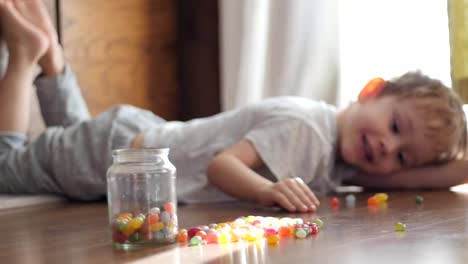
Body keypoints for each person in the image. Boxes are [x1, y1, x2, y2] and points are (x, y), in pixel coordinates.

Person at [1, 0, 467, 213]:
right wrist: (268, 192)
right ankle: (23, 58)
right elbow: (223, 166)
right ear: (371, 89)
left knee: (71, 139)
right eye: (395, 125)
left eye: (402, 155)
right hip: (125, 158)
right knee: (9, 164)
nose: (388, 148)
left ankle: (54, 62)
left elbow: (440, 175)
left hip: (136, 141)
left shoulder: (340, 156)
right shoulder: (307, 129)